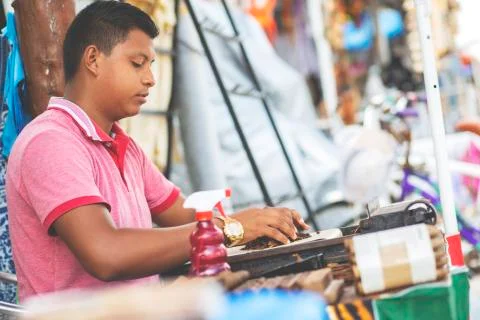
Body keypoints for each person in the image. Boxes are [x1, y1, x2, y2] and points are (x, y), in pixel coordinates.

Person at [6, 1, 308, 302]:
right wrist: (229, 229)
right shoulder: (50, 142)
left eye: (151, 65)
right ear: (93, 60)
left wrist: (257, 221)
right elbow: (105, 253)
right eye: (137, 63)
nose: (151, 78)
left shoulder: (124, 146)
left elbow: (184, 212)